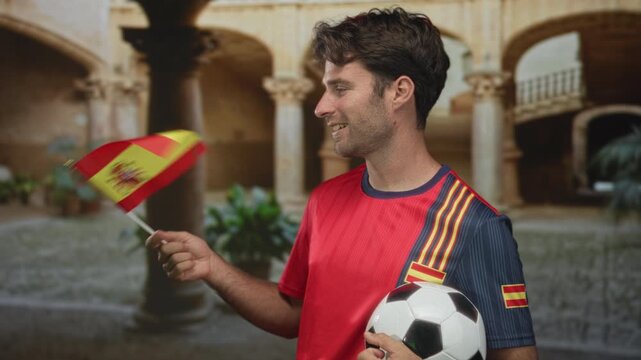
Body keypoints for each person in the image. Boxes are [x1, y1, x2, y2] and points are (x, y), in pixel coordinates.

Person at [146, 7, 538, 360]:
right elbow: (296, 315)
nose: (320, 106)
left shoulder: (476, 227)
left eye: (340, 88)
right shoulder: (325, 199)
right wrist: (213, 267)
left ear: (399, 92)